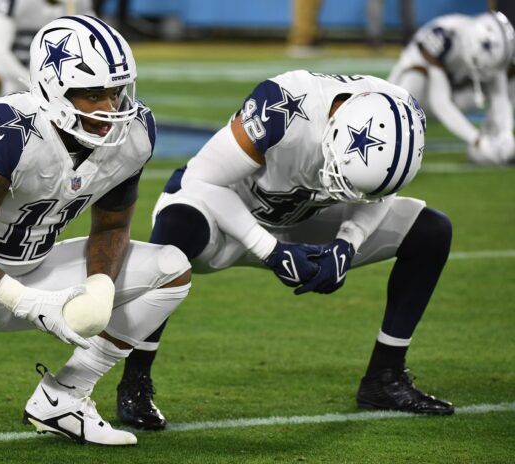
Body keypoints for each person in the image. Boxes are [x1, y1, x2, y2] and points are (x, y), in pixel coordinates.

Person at [0, 16, 192, 457]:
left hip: (39, 271)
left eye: (116, 91)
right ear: (51, 88)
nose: (110, 108)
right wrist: (24, 301)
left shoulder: (134, 133)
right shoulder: (14, 130)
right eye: (93, 93)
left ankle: (65, 397)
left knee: (170, 268)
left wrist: (99, 287)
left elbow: (113, 224)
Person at [116, 70, 455, 431]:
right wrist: (270, 250)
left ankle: (385, 377)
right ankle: (135, 380)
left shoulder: (403, 116)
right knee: (175, 231)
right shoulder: (283, 105)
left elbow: (377, 195)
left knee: (431, 231)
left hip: (308, 216)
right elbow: (199, 180)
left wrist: (346, 244)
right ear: (333, 131)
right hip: (229, 214)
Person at [388, 10, 515, 165]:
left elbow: (500, 96)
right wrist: (476, 139)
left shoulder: (489, 52)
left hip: (455, 93)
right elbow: (440, 103)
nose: (485, 73)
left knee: (512, 81)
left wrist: (506, 135)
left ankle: (492, 144)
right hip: (412, 99)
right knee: (416, 75)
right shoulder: (442, 37)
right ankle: (392, 140)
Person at [0, 0, 95, 142]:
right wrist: (33, 83)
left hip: (53, 79)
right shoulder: (13, 2)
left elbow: (95, 42)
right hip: (9, 72)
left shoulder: (79, 3)